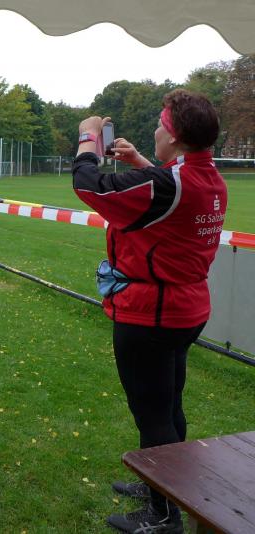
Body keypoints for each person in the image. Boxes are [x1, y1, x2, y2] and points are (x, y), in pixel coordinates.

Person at [72, 89, 227, 533]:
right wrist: (141, 162)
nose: (156, 130)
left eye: (161, 124)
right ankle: (161, 485)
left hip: (151, 315)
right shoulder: (208, 176)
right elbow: (172, 190)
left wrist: (88, 137)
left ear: (175, 137)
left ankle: (163, 516)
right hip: (185, 309)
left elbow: (88, 185)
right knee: (169, 404)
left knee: (153, 415)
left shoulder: (168, 185)